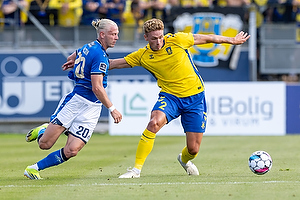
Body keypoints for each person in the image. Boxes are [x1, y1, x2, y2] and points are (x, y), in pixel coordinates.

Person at [109, 18, 250, 178]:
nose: (159, 41)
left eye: (161, 36)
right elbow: (114, 63)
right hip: (171, 98)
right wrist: (83, 61)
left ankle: (184, 160)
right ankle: (136, 170)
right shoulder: (143, 56)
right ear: (146, 38)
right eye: (154, 38)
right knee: (153, 123)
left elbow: (207, 38)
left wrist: (231, 40)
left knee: (193, 149)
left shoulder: (177, 40)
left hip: (195, 98)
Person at [24, 18, 122, 180]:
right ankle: (42, 130)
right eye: (113, 34)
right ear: (102, 34)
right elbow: (97, 87)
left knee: (72, 150)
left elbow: (76, 54)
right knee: (44, 144)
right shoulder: (99, 54)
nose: (116, 37)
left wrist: (73, 60)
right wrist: (112, 109)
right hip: (76, 101)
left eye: (117, 34)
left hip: (92, 108)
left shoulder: (91, 47)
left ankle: (33, 169)